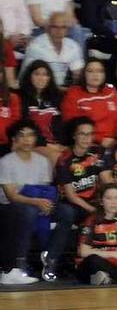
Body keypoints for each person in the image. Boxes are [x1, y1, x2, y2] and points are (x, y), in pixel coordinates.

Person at [0, 119, 73, 282]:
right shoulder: (5, 162)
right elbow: (11, 195)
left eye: (30, 135)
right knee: (29, 211)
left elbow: (45, 188)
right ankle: (19, 265)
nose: (27, 140)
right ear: (14, 139)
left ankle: (50, 258)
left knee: (67, 212)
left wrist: (45, 202)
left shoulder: (42, 161)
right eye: (22, 136)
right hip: (10, 206)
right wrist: (37, 202)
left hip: (37, 201)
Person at [60, 58, 117, 148]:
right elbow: (72, 124)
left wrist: (116, 139)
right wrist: (99, 139)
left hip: (114, 142)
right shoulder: (74, 94)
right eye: (90, 71)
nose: (95, 75)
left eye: (100, 71)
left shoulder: (111, 92)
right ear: (84, 74)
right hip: (87, 143)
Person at [22, 11, 84, 87]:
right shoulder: (36, 46)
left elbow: (78, 74)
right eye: (55, 27)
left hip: (61, 89)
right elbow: (30, 78)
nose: (59, 31)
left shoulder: (73, 46)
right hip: (39, 89)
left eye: (63, 27)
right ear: (48, 28)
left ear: (67, 30)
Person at [20, 60, 64, 149]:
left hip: (56, 143)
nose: (41, 78)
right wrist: (47, 144)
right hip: (34, 144)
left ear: (49, 78)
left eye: (45, 74)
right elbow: (24, 126)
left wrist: (60, 144)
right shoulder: (21, 97)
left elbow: (61, 125)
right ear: (29, 76)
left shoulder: (57, 97)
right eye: (37, 74)